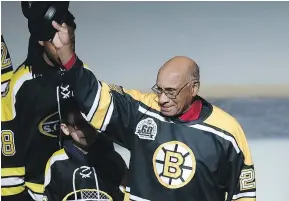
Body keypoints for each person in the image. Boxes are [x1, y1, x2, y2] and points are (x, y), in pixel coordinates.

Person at [50, 20, 257, 201]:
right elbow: (94, 95)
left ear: (194, 88)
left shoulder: (226, 132)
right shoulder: (142, 111)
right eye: (159, 89)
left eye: (171, 91)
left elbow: (243, 195)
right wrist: (66, 52)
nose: (162, 99)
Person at [1, 7, 77, 201]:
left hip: (74, 188)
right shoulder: (23, 86)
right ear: (41, 40)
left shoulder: (82, 77)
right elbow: (8, 155)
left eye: (69, 39)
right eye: (55, 40)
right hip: (36, 194)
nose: (63, 46)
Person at [43, 98, 126, 201]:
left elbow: (124, 196)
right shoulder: (57, 162)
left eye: (90, 123)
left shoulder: (114, 160)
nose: (86, 130)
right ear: (65, 128)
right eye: (78, 124)